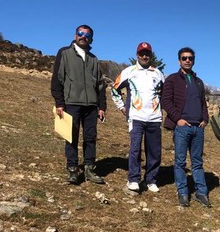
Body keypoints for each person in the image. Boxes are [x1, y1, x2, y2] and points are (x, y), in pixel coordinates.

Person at [51, 24, 106, 185]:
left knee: (90, 138)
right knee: (71, 137)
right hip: (71, 103)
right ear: (75, 36)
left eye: (87, 35)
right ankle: (73, 170)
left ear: (91, 39)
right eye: (80, 33)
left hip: (91, 106)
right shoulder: (64, 53)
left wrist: (102, 106)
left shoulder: (94, 59)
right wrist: (59, 103)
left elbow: (101, 86)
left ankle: (89, 169)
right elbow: (57, 80)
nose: (83, 37)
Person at [112, 42, 164, 194]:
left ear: (150, 55)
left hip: (154, 118)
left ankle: (151, 180)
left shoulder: (158, 73)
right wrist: (122, 107)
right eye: (141, 53)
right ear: (137, 55)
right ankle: (133, 179)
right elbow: (114, 90)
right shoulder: (129, 72)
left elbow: (164, 93)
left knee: (154, 151)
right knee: (135, 149)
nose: (144, 56)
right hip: (136, 117)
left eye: (147, 53)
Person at [161, 47, 211, 207]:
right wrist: (179, 120)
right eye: (184, 58)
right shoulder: (172, 79)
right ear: (179, 61)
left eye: (190, 58)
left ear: (194, 60)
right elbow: (166, 101)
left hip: (198, 128)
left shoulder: (198, 82)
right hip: (182, 127)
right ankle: (182, 192)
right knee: (180, 161)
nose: (187, 60)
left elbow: (203, 102)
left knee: (197, 161)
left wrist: (205, 119)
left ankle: (201, 192)